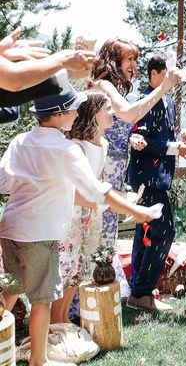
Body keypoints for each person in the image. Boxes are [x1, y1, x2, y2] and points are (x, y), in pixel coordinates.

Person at [0, 82, 153, 366]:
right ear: (59, 113)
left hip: (9, 229)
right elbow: (97, 191)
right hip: (40, 234)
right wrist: (136, 210)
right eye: (73, 106)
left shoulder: (20, 140)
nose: (78, 110)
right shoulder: (65, 148)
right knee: (42, 300)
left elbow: (3, 181)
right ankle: (39, 361)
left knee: (9, 290)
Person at [90, 38, 184, 291]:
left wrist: (131, 136)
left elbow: (122, 123)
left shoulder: (114, 88)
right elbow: (130, 114)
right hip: (103, 166)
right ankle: (85, 300)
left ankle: (103, 290)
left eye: (135, 59)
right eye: (129, 59)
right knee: (97, 232)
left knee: (108, 232)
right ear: (114, 60)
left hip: (117, 168)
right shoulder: (102, 84)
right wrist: (163, 88)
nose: (134, 65)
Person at [126, 54, 186, 311]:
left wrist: (180, 138)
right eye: (169, 73)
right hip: (145, 179)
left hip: (161, 179)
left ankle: (137, 291)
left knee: (143, 233)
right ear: (155, 74)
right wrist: (172, 147)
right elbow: (139, 141)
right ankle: (142, 292)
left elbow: (163, 137)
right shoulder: (140, 100)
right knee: (164, 231)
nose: (174, 78)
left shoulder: (168, 102)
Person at [50, 91, 112, 323]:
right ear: (94, 114)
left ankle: (65, 319)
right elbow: (71, 189)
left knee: (79, 270)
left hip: (92, 215)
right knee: (65, 270)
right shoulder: (76, 146)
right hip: (72, 216)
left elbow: (100, 180)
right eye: (108, 108)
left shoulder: (104, 144)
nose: (112, 113)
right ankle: (56, 322)